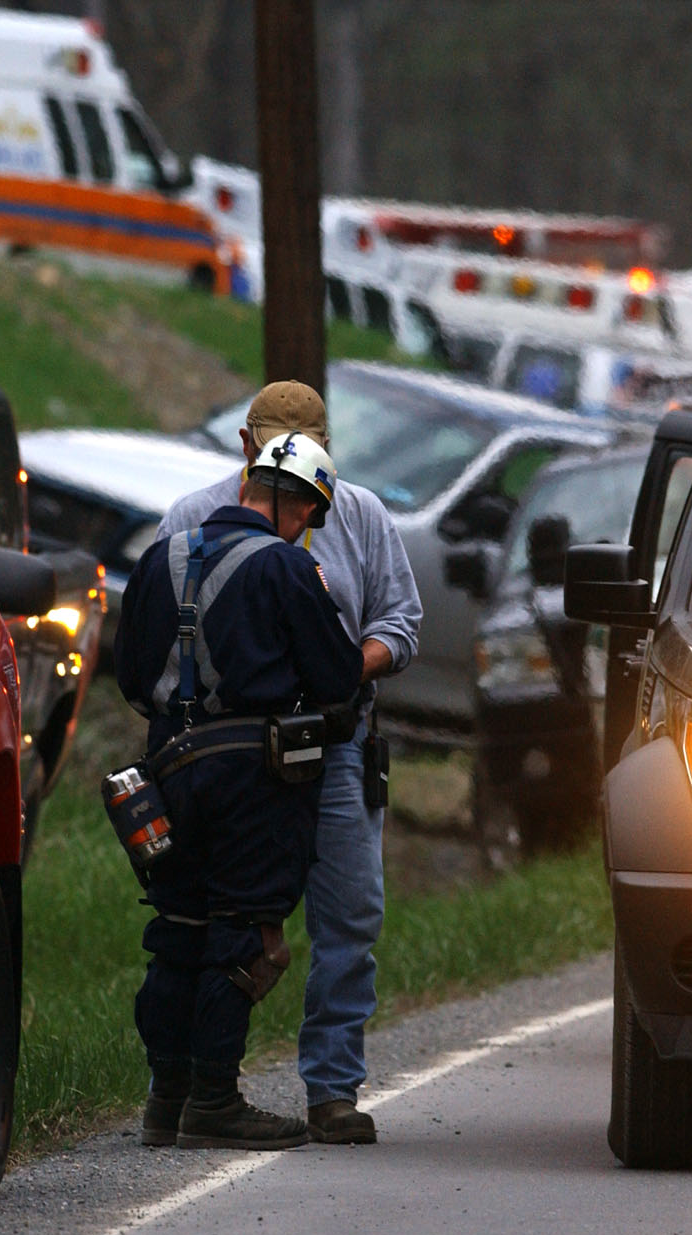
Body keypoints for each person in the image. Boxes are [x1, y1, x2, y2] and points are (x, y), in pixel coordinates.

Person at [159, 381, 422, 1145]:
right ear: (244, 443)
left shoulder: (362, 517)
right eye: (271, 446)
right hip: (231, 748)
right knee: (210, 915)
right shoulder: (191, 518)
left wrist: (348, 668)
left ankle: (332, 1087)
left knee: (349, 914)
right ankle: (188, 1083)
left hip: (332, 744)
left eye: (304, 452)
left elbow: (400, 621)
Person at [116, 434, 364, 1150]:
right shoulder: (288, 568)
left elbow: (132, 678)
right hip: (252, 779)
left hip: (164, 770)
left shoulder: (159, 559)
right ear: (296, 503)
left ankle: (166, 1099)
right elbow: (338, 677)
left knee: (177, 932)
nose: (305, 527)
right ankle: (216, 1100)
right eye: (309, 514)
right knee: (243, 934)